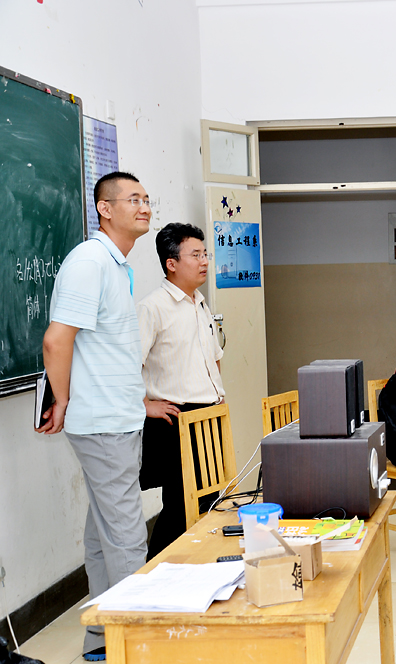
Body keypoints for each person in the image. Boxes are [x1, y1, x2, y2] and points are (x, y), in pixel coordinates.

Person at [35, 171, 151, 662]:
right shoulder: (90, 261)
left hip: (117, 418)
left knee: (105, 536)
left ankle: (102, 640)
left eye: (147, 199)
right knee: (127, 538)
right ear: (105, 208)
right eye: (133, 199)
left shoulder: (116, 264)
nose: (144, 207)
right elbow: (56, 340)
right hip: (102, 422)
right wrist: (61, 400)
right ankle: (134, 646)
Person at [137, 223, 225, 559]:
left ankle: (199, 568)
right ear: (171, 263)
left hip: (207, 415)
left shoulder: (200, 303)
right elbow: (129, 364)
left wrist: (215, 394)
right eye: (195, 255)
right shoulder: (153, 307)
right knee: (179, 506)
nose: (204, 261)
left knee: (210, 501)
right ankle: (155, 572)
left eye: (205, 254)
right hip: (177, 418)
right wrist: (145, 404)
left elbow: (214, 357)